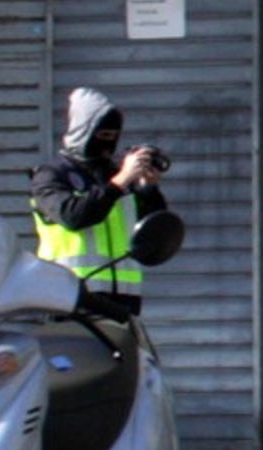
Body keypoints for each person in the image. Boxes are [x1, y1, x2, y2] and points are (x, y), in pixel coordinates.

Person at [30, 87, 169, 316]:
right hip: (69, 299)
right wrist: (120, 182)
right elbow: (73, 217)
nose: (109, 143)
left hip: (124, 303)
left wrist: (148, 188)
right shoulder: (51, 175)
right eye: (103, 135)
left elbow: (157, 235)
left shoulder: (118, 176)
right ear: (83, 131)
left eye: (114, 136)